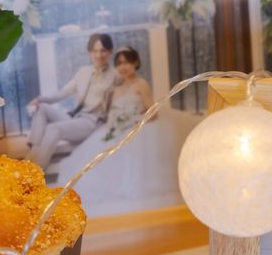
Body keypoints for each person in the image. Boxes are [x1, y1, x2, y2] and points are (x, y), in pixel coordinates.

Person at [57, 46, 201, 217]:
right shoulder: (117, 88)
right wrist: (115, 124)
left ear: (135, 63)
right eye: (119, 63)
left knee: (129, 149)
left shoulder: (141, 84)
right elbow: (113, 113)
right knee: (97, 152)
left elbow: (153, 112)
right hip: (118, 128)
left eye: (126, 62)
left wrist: (134, 121)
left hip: (138, 126)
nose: (123, 67)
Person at [27, 33, 116, 170]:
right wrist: (39, 99)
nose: (99, 55)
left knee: (53, 128)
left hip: (92, 123)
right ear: (90, 52)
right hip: (76, 118)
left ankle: (35, 171)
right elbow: (62, 93)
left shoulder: (115, 75)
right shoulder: (83, 72)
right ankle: (33, 152)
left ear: (110, 51)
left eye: (103, 51)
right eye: (95, 51)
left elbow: (124, 99)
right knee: (42, 107)